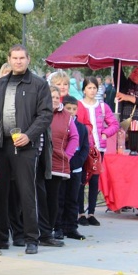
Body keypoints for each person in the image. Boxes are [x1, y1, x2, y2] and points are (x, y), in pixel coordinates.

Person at [0, 45, 52, 254]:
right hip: (0, 145)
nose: (18, 61)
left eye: (22, 58)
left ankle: (32, 238)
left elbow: (45, 115)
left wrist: (28, 135)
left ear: (28, 59)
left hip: (25, 145)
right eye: (15, 58)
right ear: (9, 59)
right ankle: (2, 237)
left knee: (27, 192)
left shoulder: (38, 85)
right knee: (0, 192)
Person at [39, 87, 78, 247]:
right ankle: (39, 231)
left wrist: (67, 155)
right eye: (51, 96)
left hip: (56, 162)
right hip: (40, 162)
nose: (54, 99)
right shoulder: (40, 112)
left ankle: (48, 231)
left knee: (53, 198)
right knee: (40, 198)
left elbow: (75, 137)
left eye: (57, 97)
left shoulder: (66, 116)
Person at [78, 77, 119, 225]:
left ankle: (91, 212)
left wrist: (105, 133)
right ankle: (80, 212)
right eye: (89, 88)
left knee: (94, 179)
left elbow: (114, 124)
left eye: (94, 88)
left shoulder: (103, 107)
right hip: (84, 147)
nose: (92, 91)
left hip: (98, 148)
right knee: (81, 179)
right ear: (84, 90)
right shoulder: (79, 105)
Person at [56, 96, 88, 241]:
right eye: (68, 108)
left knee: (73, 199)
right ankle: (59, 227)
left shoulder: (81, 128)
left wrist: (77, 162)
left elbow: (85, 148)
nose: (71, 112)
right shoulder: (59, 124)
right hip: (61, 167)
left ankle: (72, 227)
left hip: (75, 169)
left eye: (74, 109)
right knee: (60, 198)